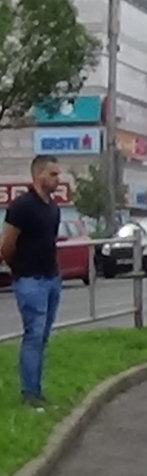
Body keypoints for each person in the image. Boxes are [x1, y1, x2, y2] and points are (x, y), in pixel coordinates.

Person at [1, 156, 66, 409]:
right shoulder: (21, 206)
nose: (57, 180)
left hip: (51, 278)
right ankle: (29, 394)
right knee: (33, 335)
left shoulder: (53, 207)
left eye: (58, 175)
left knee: (43, 337)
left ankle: (37, 391)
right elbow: (6, 243)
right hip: (30, 280)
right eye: (53, 174)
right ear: (38, 175)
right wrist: (13, 267)